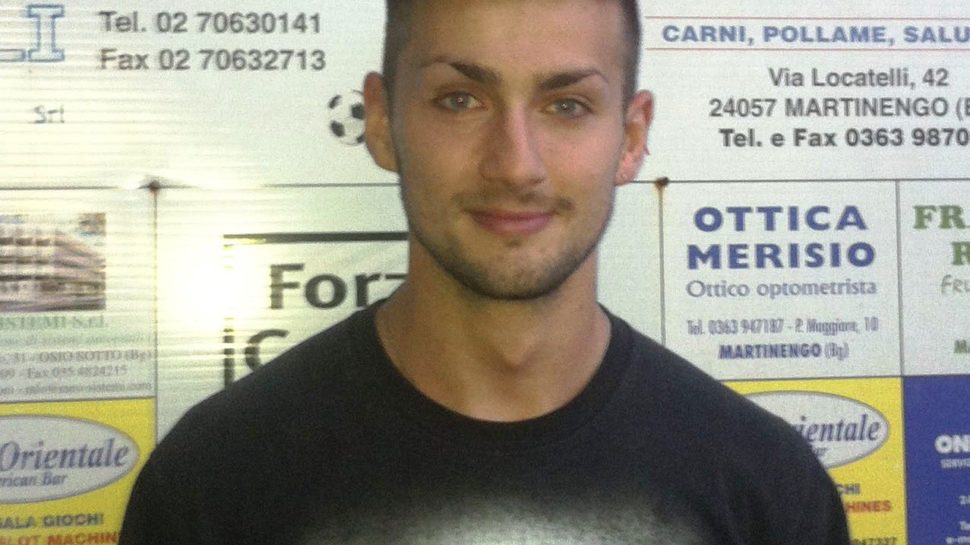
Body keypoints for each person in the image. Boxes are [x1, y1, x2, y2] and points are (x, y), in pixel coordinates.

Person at [120, 0, 850, 543]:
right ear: (382, 122)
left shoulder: (766, 485)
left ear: (630, 139)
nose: (515, 165)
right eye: (460, 99)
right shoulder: (215, 481)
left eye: (567, 105)